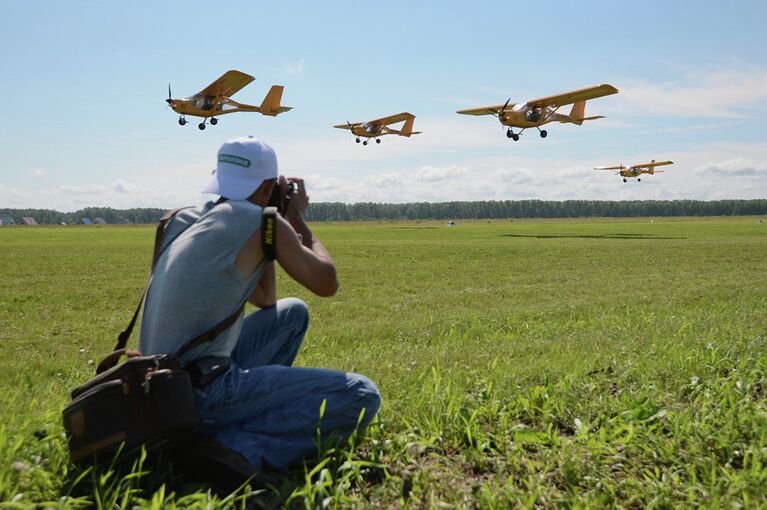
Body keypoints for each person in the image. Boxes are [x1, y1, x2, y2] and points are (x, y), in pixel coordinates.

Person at [138, 135, 381, 472]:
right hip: (203, 394)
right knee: (363, 394)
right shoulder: (260, 222)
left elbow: (265, 299)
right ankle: (231, 449)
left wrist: (271, 220)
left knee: (291, 313)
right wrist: (295, 218)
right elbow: (327, 282)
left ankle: (232, 420)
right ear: (269, 187)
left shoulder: (181, 219)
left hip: (159, 387)